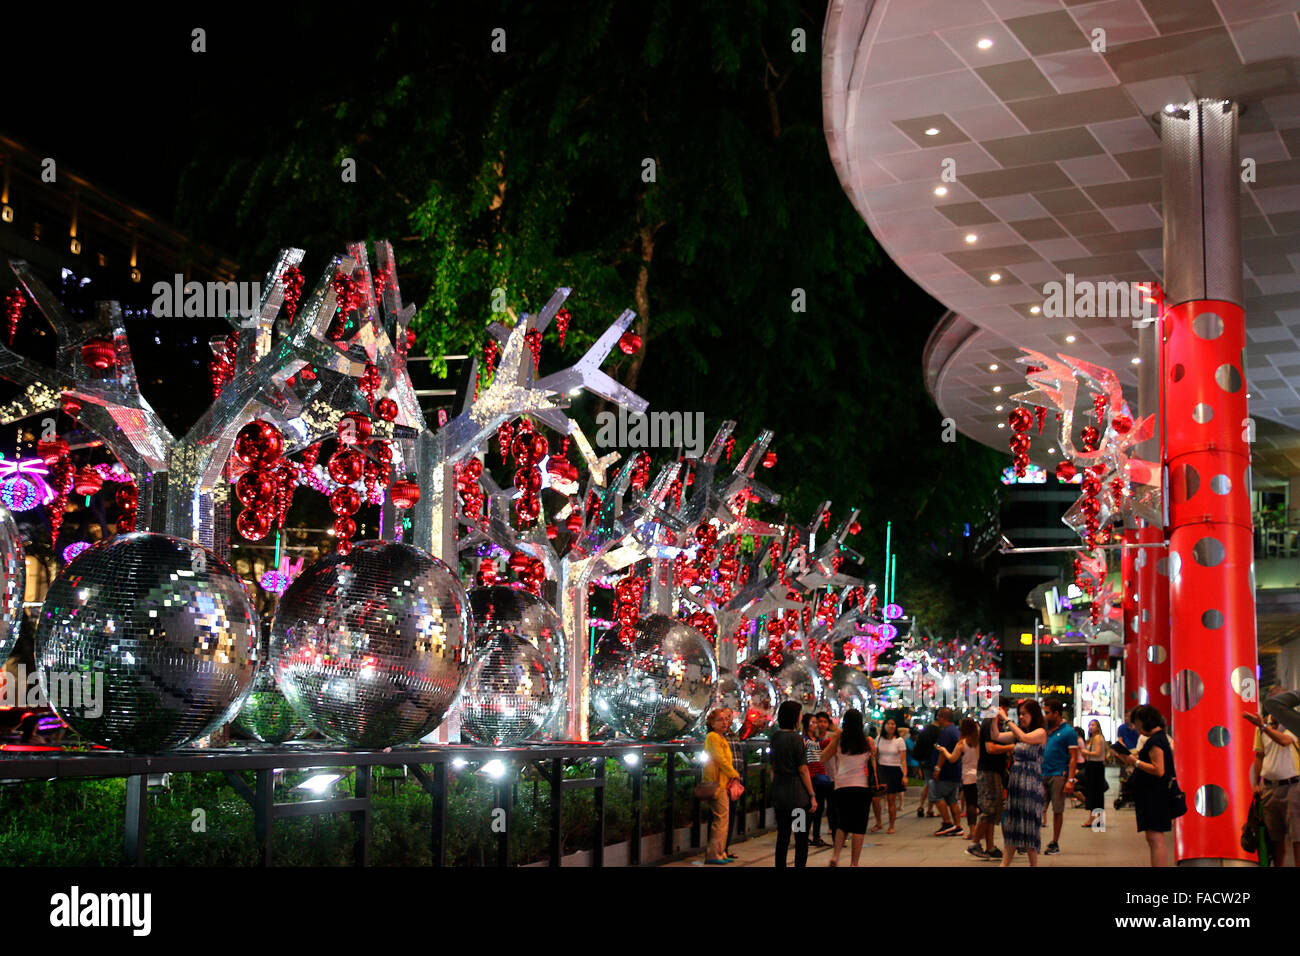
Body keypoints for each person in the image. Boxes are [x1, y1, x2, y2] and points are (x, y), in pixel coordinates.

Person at [990, 700, 1048, 866]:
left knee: (1029, 826)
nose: (1021, 717)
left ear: (1034, 715)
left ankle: (1033, 865)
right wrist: (995, 718)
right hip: (1016, 783)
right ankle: (1004, 864)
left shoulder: (1040, 732)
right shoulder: (1019, 732)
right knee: (1012, 825)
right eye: (1020, 714)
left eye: (1025, 714)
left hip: (1030, 785)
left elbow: (1023, 737)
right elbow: (997, 736)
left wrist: (1007, 719)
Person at [1245, 693, 1300, 868]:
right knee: (1274, 837)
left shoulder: (1293, 723)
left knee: (1297, 836)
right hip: (1269, 787)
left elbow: (1284, 741)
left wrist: (1263, 727)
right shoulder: (1262, 725)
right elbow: (1259, 756)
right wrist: (1256, 784)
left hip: (1293, 786)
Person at [1121, 704, 1175, 867]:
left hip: (1155, 795)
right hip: (1152, 794)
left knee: (1155, 838)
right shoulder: (1159, 738)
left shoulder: (1156, 741)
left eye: (1137, 724)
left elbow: (1158, 770)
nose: (1137, 728)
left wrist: (1135, 762)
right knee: (1152, 837)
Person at [820, 708, 872, 867]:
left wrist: (835, 739)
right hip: (861, 786)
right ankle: (854, 863)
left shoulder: (839, 739)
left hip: (841, 787)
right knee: (859, 827)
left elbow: (823, 758)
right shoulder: (867, 741)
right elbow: (874, 759)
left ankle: (836, 855)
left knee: (843, 823)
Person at [770, 700, 817, 867]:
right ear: (794, 718)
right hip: (797, 798)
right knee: (801, 837)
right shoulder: (797, 739)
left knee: (782, 836)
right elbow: (803, 770)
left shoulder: (775, 737)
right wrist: (812, 795)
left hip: (780, 796)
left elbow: (772, 768)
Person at [967, 715, 1013, 860]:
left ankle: (990, 847)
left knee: (993, 811)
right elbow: (990, 748)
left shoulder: (995, 725)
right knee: (989, 810)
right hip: (988, 773)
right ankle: (974, 844)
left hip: (995, 773)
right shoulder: (989, 723)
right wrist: (1012, 747)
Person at [1040, 698, 1079, 855]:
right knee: (1037, 808)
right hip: (1042, 774)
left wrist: (1070, 780)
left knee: (1057, 810)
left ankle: (1055, 841)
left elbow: (1073, 757)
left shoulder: (1068, 732)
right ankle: (1030, 839)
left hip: (1058, 775)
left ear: (1056, 713)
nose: (1045, 715)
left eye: (1047, 712)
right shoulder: (1044, 730)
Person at [703, 707, 741, 864]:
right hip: (717, 783)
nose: (725, 722)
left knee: (723, 820)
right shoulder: (713, 737)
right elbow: (720, 759)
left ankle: (721, 853)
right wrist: (734, 773)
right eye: (720, 720)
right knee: (720, 820)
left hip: (723, 784)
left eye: (726, 719)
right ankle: (714, 854)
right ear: (711, 723)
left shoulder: (720, 737)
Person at [936, 717, 980, 836]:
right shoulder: (979, 742)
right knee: (979, 804)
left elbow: (952, 759)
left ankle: (972, 831)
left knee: (970, 804)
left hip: (968, 777)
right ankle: (982, 831)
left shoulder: (962, 743)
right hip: (980, 776)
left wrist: (944, 750)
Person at [929, 708, 963, 836]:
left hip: (945, 771)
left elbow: (942, 752)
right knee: (952, 799)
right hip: (955, 770)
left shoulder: (945, 732)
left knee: (936, 796)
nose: (937, 719)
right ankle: (958, 826)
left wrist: (937, 768)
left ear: (943, 717)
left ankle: (947, 822)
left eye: (938, 716)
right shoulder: (955, 731)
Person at [804, 713, 833, 847]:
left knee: (819, 809)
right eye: (813, 722)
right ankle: (804, 836)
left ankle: (816, 836)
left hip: (819, 779)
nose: (816, 725)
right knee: (810, 809)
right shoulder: (804, 740)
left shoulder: (814, 739)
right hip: (811, 778)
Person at [874, 718, 906, 833]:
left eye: (893, 724)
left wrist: (905, 775)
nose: (891, 726)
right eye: (888, 724)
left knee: (891, 799)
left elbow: (903, 760)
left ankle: (891, 825)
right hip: (881, 769)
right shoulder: (878, 739)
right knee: (876, 799)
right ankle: (878, 823)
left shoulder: (899, 740)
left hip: (894, 770)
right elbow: (874, 756)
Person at [1078, 718, 1108, 827]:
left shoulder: (1098, 738)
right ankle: (1097, 819)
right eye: (1090, 725)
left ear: (1098, 727)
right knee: (1095, 793)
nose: (1091, 727)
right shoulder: (1093, 738)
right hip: (1093, 766)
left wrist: (1085, 752)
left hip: (1096, 767)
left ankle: (1094, 819)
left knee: (1095, 793)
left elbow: (1098, 753)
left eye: (1093, 725)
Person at [912, 720, 940, 817]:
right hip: (933, 761)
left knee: (927, 783)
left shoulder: (925, 730)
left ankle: (921, 806)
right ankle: (930, 809)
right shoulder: (938, 732)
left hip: (924, 760)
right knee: (932, 784)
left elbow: (918, 745)